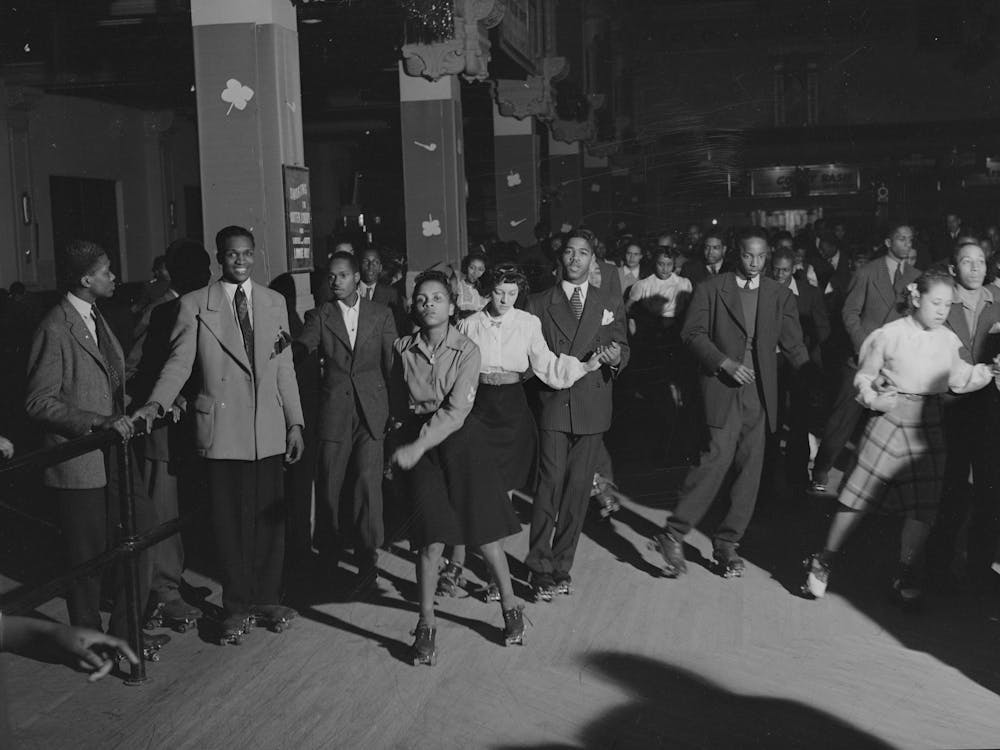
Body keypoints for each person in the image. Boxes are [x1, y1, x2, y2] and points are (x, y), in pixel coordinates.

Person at [133, 226, 305, 644]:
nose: (240, 261)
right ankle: (235, 606)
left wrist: (295, 422)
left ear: (255, 254)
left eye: (246, 253)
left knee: (269, 521)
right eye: (232, 255)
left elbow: (284, 368)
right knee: (230, 523)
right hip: (223, 429)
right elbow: (179, 362)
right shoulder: (195, 305)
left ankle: (266, 597)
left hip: (267, 430)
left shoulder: (273, 302)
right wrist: (156, 403)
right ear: (220, 257)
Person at [802, 270, 996, 607]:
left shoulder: (947, 340)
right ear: (916, 298)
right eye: (936, 303)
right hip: (889, 417)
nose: (942, 311)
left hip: (930, 422)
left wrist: (990, 371)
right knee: (858, 496)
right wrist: (875, 397)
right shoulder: (887, 335)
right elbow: (863, 377)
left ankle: (904, 571)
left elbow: (960, 379)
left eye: (948, 305)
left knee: (923, 505)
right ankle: (824, 560)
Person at [24, 240, 162, 651]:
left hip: (114, 453)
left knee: (143, 529)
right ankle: (90, 647)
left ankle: (126, 632)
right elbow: (37, 400)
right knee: (87, 561)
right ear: (86, 279)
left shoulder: (96, 316)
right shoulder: (55, 326)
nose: (114, 277)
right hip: (81, 460)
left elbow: (106, 384)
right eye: (106, 271)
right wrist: (96, 422)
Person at [650, 228, 811, 579]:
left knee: (750, 468)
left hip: (761, 393)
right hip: (722, 386)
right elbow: (691, 334)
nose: (755, 263)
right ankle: (673, 534)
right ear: (738, 253)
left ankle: (727, 544)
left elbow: (794, 344)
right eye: (749, 255)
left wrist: (813, 378)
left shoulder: (778, 294)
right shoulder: (712, 288)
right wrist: (723, 363)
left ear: (768, 256)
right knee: (716, 459)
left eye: (761, 256)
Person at [438, 266, 604, 599]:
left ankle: (493, 580)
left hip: (512, 411)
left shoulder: (528, 323)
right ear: (488, 290)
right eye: (500, 291)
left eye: (513, 293)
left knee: (504, 497)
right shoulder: (469, 325)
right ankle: (467, 565)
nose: (505, 299)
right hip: (477, 408)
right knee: (475, 490)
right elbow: (452, 373)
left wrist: (583, 367)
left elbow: (545, 365)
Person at [390, 270, 525, 665]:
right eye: (421, 299)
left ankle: (511, 608)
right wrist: (403, 445)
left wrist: (416, 446)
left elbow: (455, 411)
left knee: (484, 535)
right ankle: (426, 624)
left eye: (437, 298)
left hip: (461, 442)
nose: (429, 304)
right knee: (431, 539)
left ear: (452, 306)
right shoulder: (402, 348)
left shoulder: (467, 349)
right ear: (413, 307)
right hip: (421, 448)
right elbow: (399, 406)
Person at [524, 228, 629, 600]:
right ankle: (539, 566)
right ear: (560, 258)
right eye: (569, 252)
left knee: (578, 489)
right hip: (554, 403)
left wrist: (618, 358)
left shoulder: (607, 301)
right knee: (549, 483)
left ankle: (561, 565)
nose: (575, 259)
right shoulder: (538, 303)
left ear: (592, 261)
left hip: (592, 404)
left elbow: (623, 345)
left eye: (583, 253)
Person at [295, 250, 398, 595]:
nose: (335, 281)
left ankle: (368, 560)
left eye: (341, 275)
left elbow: (391, 364)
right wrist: (289, 348)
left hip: (372, 410)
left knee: (368, 485)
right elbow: (305, 345)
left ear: (357, 278)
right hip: (334, 411)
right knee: (329, 485)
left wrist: (394, 410)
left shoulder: (381, 314)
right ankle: (328, 558)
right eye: (331, 276)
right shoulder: (319, 314)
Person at [126, 240, 212, 631]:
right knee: (161, 512)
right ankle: (162, 594)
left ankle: (172, 581)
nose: (206, 276)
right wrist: (168, 394)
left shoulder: (197, 306)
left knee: (179, 511)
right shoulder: (159, 313)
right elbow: (131, 373)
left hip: (187, 430)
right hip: (159, 430)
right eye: (197, 268)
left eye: (206, 267)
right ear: (174, 274)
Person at [810, 223, 921, 494]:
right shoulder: (867, 272)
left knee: (892, 422)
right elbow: (849, 313)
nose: (907, 243)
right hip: (861, 359)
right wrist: (865, 348)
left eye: (910, 239)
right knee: (843, 419)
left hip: (896, 362)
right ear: (887, 242)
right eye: (901, 238)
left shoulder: (918, 276)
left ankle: (884, 480)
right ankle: (821, 470)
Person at [925, 242, 1000, 589]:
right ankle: (937, 565)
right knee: (949, 489)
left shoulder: (997, 303)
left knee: (989, 490)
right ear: (953, 269)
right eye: (966, 262)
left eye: (980, 262)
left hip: (989, 412)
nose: (975, 268)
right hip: (948, 409)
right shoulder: (941, 304)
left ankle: (979, 565)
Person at [769, 247, 831, 486]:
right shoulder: (762, 289)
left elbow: (823, 330)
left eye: (785, 270)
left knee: (799, 422)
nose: (780, 274)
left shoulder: (810, 293)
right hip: (771, 363)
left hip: (799, 365)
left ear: (793, 268)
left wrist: (811, 364)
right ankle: (769, 478)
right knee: (772, 421)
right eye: (776, 269)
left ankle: (797, 478)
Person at [358, 247, 407, 333]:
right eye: (366, 262)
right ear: (359, 265)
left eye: (375, 262)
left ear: (380, 268)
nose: (370, 266)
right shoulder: (350, 292)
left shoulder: (392, 294)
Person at [455, 252, 488, 317]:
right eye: (472, 267)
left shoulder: (488, 290)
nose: (475, 273)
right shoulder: (457, 285)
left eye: (480, 269)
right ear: (466, 267)